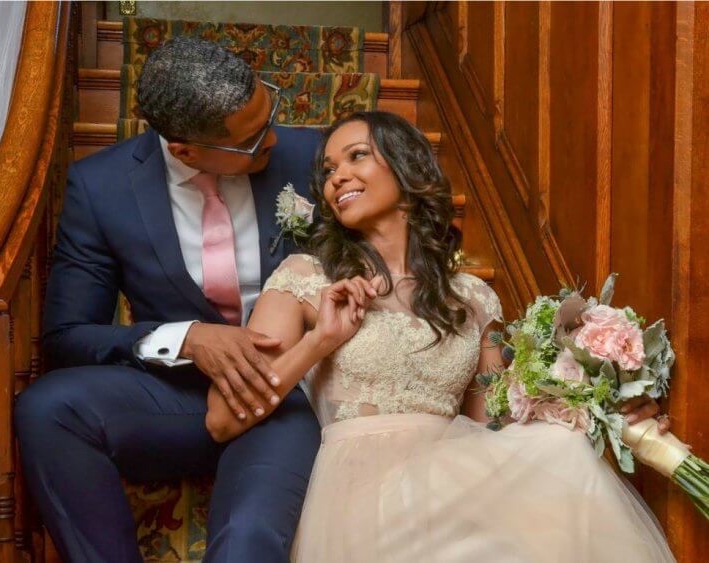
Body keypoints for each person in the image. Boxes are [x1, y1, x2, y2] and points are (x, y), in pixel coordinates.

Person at [205, 111, 675, 562]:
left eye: (356, 156)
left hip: (452, 486)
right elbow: (222, 419)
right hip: (363, 496)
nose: (337, 177)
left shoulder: (472, 297)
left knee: (561, 451)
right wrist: (320, 342)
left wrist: (590, 409)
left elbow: (491, 428)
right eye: (328, 169)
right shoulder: (304, 277)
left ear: (406, 167)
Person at [14, 37, 321, 562]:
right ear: (184, 149)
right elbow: (68, 336)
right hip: (181, 398)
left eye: (270, 115)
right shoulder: (100, 187)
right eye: (252, 140)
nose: (273, 139)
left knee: (247, 537)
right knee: (47, 409)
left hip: (290, 396)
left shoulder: (315, 155)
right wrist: (185, 338)